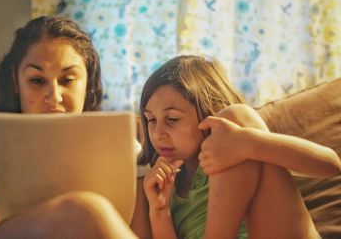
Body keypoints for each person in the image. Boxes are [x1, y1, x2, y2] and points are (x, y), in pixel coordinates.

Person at [0, 15, 147, 238]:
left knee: (84, 209)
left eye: (67, 80)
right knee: (84, 208)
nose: (54, 97)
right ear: (15, 81)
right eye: (37, 81)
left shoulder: (120, 143)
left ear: (87, 82)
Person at [138, 55, 341, 238]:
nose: (157, 133)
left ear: (211, 112)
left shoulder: (239, 140)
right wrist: (160, 211)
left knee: (234, 119)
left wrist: (250, 143)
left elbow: (332, 165)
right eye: (150, 119)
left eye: (172, 119)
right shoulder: (165, 183)